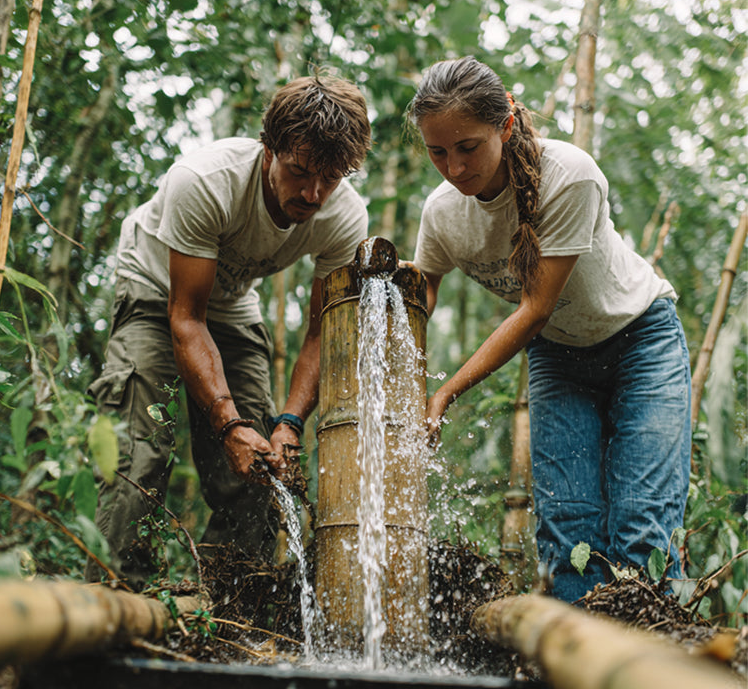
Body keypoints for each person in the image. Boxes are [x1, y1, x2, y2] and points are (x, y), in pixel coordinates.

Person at [406, 55, 691, 603]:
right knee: (567, 529)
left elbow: (535, 308)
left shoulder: (568, 175)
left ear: (506, 124)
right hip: (560, 359)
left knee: (642, 524)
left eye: (468, 147)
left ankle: (647, 649)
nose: (455, 168)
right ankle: (575, 648)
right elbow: (425, 291)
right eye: (438, 152)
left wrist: (444, 393)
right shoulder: (441, 213)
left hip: (642, 343)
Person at [86, 74, 371, 589]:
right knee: (140, 456)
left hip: (235, 305)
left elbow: (319, 337)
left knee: (259, 466)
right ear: (269, 149)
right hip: (156, 290)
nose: (313, 194)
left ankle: (229, 607)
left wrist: (289, 422)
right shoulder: (204, 180)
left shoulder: (345, 217)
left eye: (330, 178)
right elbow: (186, 318)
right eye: (299, 172)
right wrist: (226, 422)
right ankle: (114, 598)